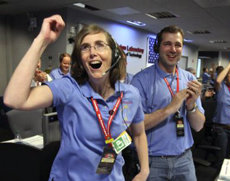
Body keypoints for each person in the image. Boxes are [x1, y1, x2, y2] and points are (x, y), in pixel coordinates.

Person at [3, 15, 149, 181]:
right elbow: (13, 99)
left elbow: (138, 134)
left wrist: (144, 171)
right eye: (85, 47)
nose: (93, 52)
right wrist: (41, 41)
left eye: (100, 45)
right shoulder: (69, 88)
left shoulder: (130, 94)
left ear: (114, 55)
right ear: (80, 59)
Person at [131, 25, 205, 181]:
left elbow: (198, 126)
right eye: (167, 44)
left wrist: (191, 106)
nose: (173, 49)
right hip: (153, 162)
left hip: (185, 160)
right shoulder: (140, 81)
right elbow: (134, 127)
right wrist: (170, 108)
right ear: (158, 47)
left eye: (177, 45)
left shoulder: (190, 80)